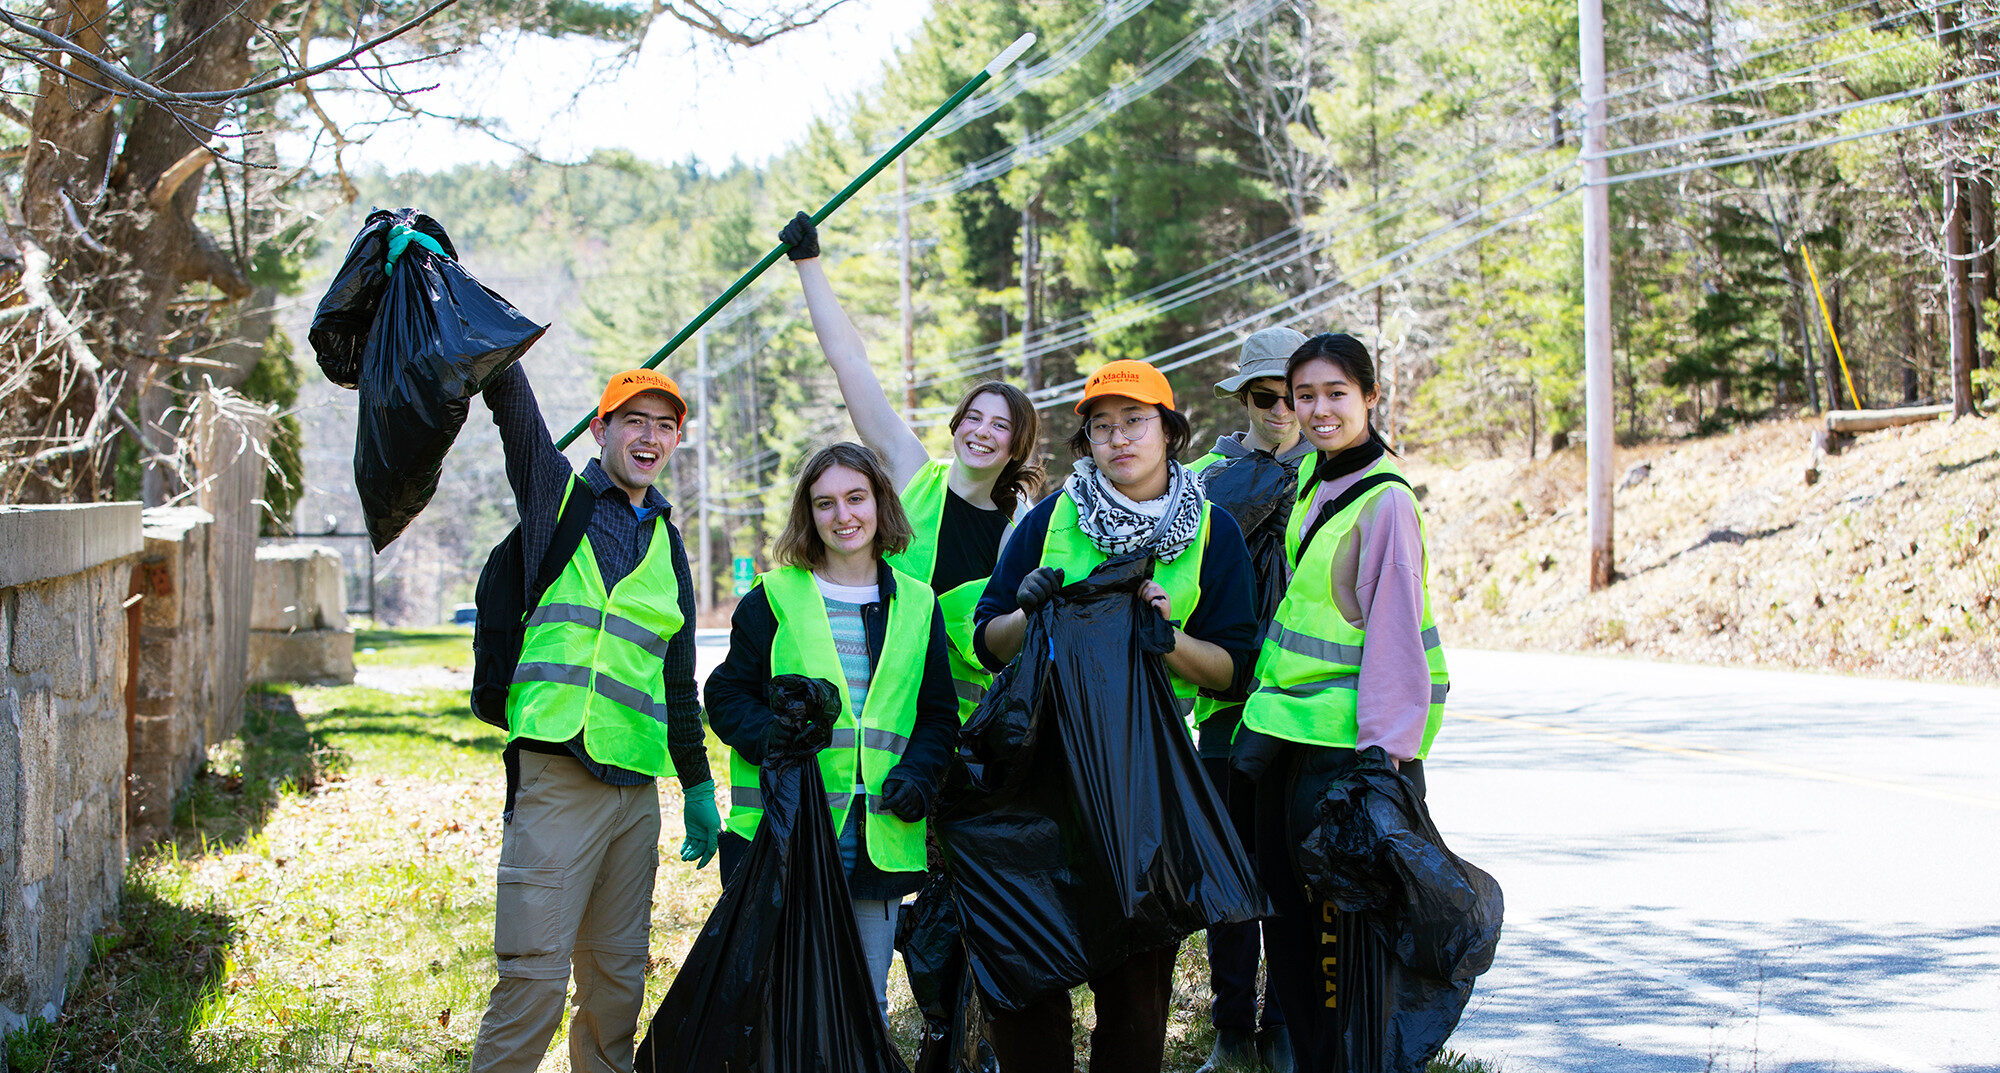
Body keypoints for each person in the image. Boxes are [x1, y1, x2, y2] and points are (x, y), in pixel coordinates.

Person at [973, 359, 1262, 1073]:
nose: (1118, 437)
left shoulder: (1212, 532)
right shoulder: (1049, 519)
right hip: (1042, 775)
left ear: (1169, 431)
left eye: (1134, 421)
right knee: (1031, 961)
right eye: (1102, 426)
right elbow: (986, 641)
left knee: (1136, 979)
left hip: (1145, 781)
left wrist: (1171, 642)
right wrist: (1025, 611)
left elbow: (1236, 668)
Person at [471, 365, 722, 1073]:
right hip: (557, 773)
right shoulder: (558, 500)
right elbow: (515, 409)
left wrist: (697, 787)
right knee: (534, 981)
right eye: (633, 420)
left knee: (616, 985)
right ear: (600, 428)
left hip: (634, 792)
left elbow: (677, 680)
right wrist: (448, 278)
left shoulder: (671, 545)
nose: (650, 436)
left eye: (664, 424)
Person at [1237, 333, 1450, 1073]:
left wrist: (1382, 764)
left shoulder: (1385, 500)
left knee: (1334, 960)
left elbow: (1395, 634)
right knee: (1289, 935)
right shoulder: (1319, 480)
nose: (1318, 409)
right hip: (1289, 743)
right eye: (1305, 396)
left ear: (1370, 397)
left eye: (1335, 393)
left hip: (1343, 762)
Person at [704, 441, 960, 1020]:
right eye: (825, 503)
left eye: (855, 498)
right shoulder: (774, 597)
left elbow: (937, 715)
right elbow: (723, 695)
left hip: (879, 832)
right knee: (780, 1001)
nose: (843, 516)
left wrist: (920, 775)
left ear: (879, 505)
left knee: (862, 1004)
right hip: (790, 829)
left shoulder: (919, 605)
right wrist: (771, 735)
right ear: (808, 514)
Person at [780, 211, 1042, 722]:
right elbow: (851, 363)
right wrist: (808, 263)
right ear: (956, 425)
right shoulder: (910, 475)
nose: (982, 431)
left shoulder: (1019, 535)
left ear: (1017, 446)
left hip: (959, 741)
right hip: (871, 711)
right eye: (973, 417)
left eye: (1000, 425)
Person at [1188, 327, 1311, 1073]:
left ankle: (1288, 1032)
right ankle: (1231, 1035)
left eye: (1294, 395)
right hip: (1228, 710)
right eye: (1265, 396)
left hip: (1305, 715)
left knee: (1294, 884)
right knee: (1228, 882)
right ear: (1244, 398)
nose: (1281, 410)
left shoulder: (1340, 472)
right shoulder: (1206, 472)